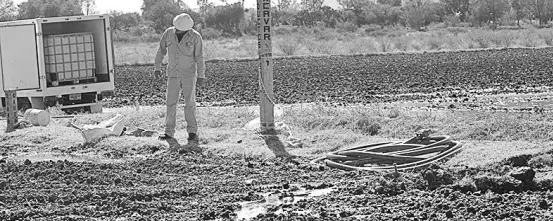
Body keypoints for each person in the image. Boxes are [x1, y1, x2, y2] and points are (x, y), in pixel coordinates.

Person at [154, 13, 206, 151]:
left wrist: (201, 75)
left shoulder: (195, 37)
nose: (176, 30)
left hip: (189, 75)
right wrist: (157, 67)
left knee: (190, 103)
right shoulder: (168, 33)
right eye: (176, 28)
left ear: (187, 29)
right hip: (173, 75)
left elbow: (200, 57)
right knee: (170, 103)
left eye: (179, 29)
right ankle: (168, 132)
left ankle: (192, 133)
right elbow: (161, 50)